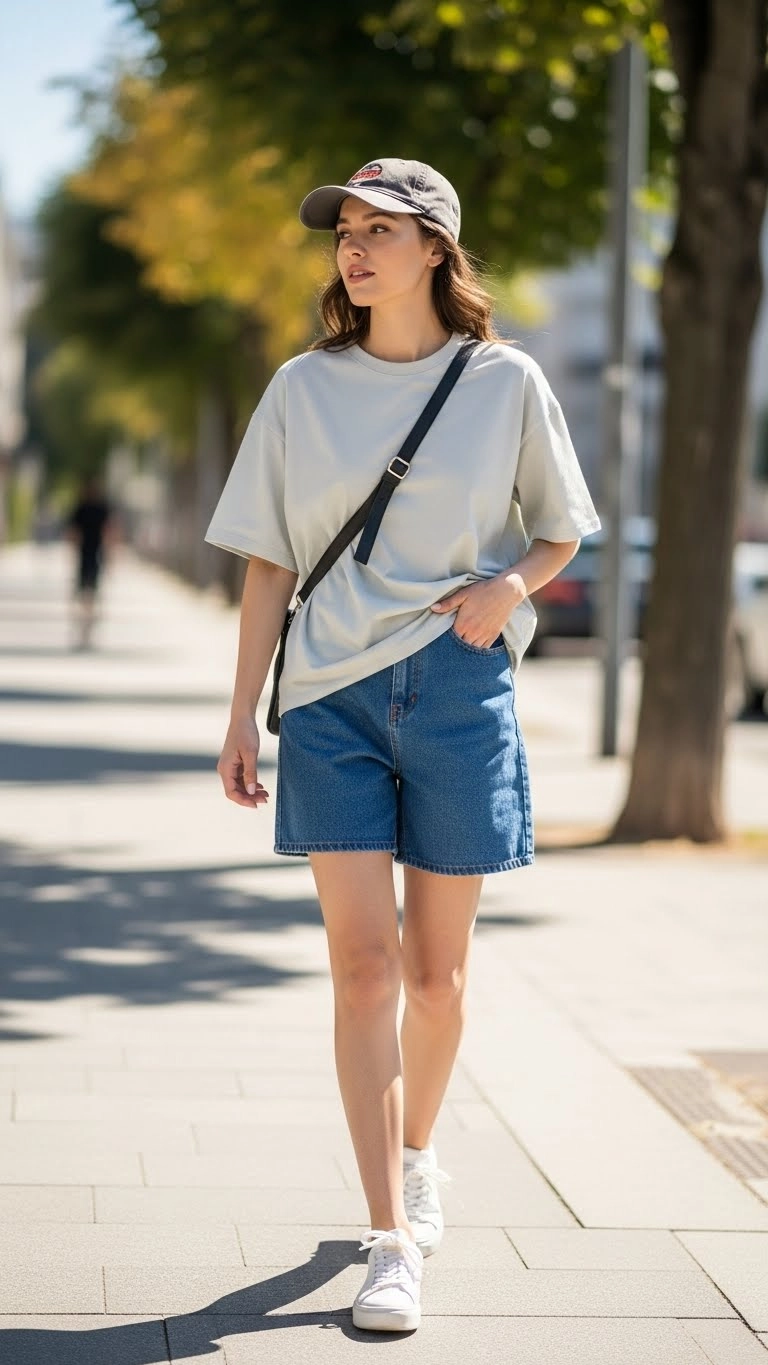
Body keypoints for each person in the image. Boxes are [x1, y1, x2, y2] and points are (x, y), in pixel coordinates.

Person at [205, 158, 601, 1333]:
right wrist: (240, 712)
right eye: (347, 232)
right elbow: (271, 558)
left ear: (438, 249)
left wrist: (505, 588)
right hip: (328, 699)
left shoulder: (507, 380)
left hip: (456, 689)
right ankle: (390, 1239)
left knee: (437, 982)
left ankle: (417, 1151)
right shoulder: (298, 388)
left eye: (385, 230)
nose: (357, 249)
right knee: (365, 973)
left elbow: (562, 529)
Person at [65, 474, 115, 649]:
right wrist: (110, 558)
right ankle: (87, 627)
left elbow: (73, 534)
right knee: (90, 593)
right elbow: (108, 533)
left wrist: (71, 553)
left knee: (85, 593)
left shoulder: (81, 508)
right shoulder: (100, 508)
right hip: (94, 555)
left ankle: (85, 628)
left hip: (86, 555)